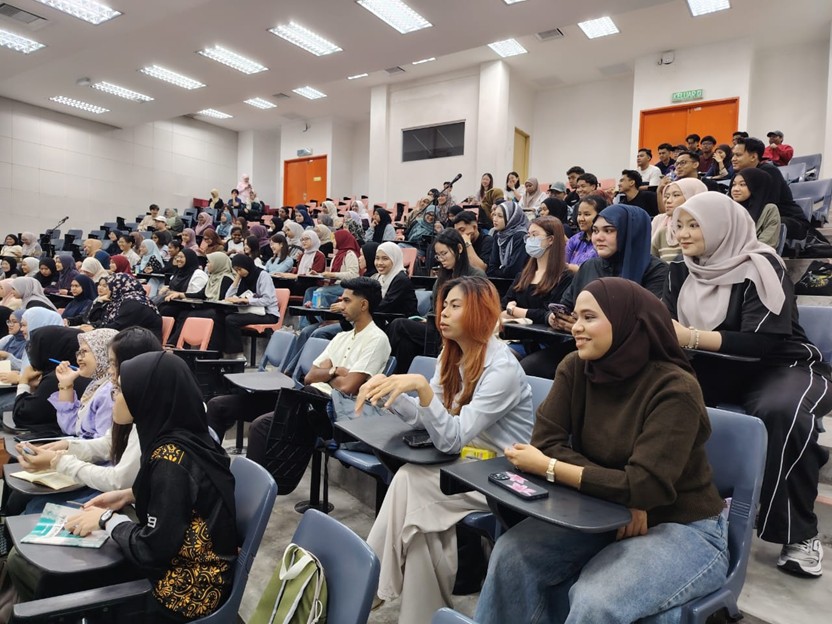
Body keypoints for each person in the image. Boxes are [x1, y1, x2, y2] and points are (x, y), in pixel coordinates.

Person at [476, 277, 728, 624]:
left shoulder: (675, 389)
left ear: (627, 321)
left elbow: (647, 486)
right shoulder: (576, 367)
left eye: (589, 317)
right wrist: (621, 492)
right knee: (510, 555)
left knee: (596, 599)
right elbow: (547, 441)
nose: (576, 327)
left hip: (683, 524)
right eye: (575, 317)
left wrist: (551, 467)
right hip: (602, 509)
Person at [664, 191, 832, 576]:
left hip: (782, 366)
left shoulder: (761, 264)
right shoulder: (680, 270)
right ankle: (691, 507)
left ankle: (799, 533)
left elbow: (762, 341)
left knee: (781, 411)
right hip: (717, 366)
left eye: (694, 225)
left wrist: (689, 336)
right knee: (663, 394)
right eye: (680, 225)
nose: (684, 234)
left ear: (722, 226)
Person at [359, 276, 535, 623]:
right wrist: (393, 396)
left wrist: (423, 390)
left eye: (456, 306)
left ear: (481, 312)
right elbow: (431, 422)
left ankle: (370, 586)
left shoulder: (502, 368)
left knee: (410, 479)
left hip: (501, 476)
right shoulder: (452, 354)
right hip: (465, 467)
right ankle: (421, 616)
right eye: (444, 305)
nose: (443, 313)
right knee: (424, 532)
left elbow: (452, 437)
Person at [52, 351, 238, 622]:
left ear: (148, 397)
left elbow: (151, 549)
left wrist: (106, 520)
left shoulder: (170, 460)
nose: (115, 397)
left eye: (121, 390)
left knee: (64, 582)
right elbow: (188, 498)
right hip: (192, 570)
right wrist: (130, 495)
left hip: (182, 594)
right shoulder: (191, 436)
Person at [236, 278, 391, 453]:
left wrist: (327, 375)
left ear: (363, 305)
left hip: (339, 410)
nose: (341, 305)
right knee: (258, 424)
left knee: (267, 426)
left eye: (347, 301)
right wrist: (336, 371)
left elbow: (348, 387)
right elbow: (310, 376)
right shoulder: (342, 337)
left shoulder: (377, 339)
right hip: (314, 402)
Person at [524, 204, 668, 378]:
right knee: (531, 367)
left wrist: (588, 325)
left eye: (608, 231)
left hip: (632, 354)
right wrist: (557, 319)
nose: (598, 238)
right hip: (586, 347)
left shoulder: (656, 270)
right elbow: (566, 305)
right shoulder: (590, 266)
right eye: (595, 231)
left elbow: (647, 323)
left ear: (631, 233)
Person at [387, 229, 485, 375]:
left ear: (459, 249)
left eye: (444, 253)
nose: (441, 259)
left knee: (398, 324)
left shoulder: (475, 276)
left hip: (459, 330)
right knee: (405, 343)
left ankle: (383, 371)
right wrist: (425, 319)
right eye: (438, 255)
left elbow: (477, 311)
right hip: (436, 326)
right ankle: (401, 383)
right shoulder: (442, 278)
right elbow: (434, 308)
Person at [502, 216, 573, 345]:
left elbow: (549, 315)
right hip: (514, 337)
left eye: (534, 235)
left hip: (545, 342)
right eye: (528, 235)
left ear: (551, 239)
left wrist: (514, 311)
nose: (529, 240)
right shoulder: (523, 275)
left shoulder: (565, 277)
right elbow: (504, 305)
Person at [12, 325, 88, 434]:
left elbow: (21, 415)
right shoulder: (80, 371)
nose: (32, 351)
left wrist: (23, 381)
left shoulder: (57, 377)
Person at [47, 328, 119, 438]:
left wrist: (66, 450)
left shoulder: (110, 390)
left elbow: (101, 445)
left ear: (103, 353)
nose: (79, 359)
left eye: (84, 352)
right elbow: (71, 427)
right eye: (78, 353)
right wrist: (66, 383)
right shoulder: (96, 384)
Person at [732, 136, 807, 240]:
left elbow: (768, 205)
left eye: (738, 155)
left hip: (787, 219)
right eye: (733, 155)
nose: (733, 159)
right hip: (761, 217)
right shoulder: (739, 175)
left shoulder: (768, 172)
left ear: (753, 157)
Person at [216, 254, 279, 358]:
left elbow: (267, 300)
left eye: (240, 269)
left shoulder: (263, 275)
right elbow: (228, 297)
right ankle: (221, 352)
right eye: (236, 271)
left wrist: (246, 300)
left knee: (231, 319)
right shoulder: (243, 277)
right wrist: (236, 280)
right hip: (250, 310)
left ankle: (238, 354)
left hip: (268, 314)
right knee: (219, 316)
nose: (238, 273)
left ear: (247, 265)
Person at [86, 274, 162, 340]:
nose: (108, 290)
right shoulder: (118, 302)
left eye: (109, 287)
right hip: (128, 339)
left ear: (118, 287)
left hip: (144, 345)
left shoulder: (134, 303)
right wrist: (98, 302)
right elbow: (94, 319)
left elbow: (117, 327)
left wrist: (94, 329)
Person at [651, 178, 708, 261]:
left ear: (693, 196)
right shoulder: (662, 231)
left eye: (676, 195)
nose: (668, 201)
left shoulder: (708, 230)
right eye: (666, 196)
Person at [729, 167, 782, 248]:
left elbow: (766, 244)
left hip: (754, 257)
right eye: (733, 185)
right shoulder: (730, 210)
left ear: (756, 186)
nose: (735, 189)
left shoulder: (769, 210)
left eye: (742, 184)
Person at [487, 200, 529, 278]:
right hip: (500, 282)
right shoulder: (498, 235)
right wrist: (503, 270)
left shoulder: (520, 236)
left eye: (500, 216)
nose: (495, 219)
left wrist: (500, 269)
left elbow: (514, 270)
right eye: (494, 215)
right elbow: (491, 268)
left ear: (512, 218)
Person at [565, 194, 605, 272]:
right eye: (579, 214)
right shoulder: (574, 239)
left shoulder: (604, 241)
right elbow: (563, 263)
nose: (581, 219)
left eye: (587, 214)